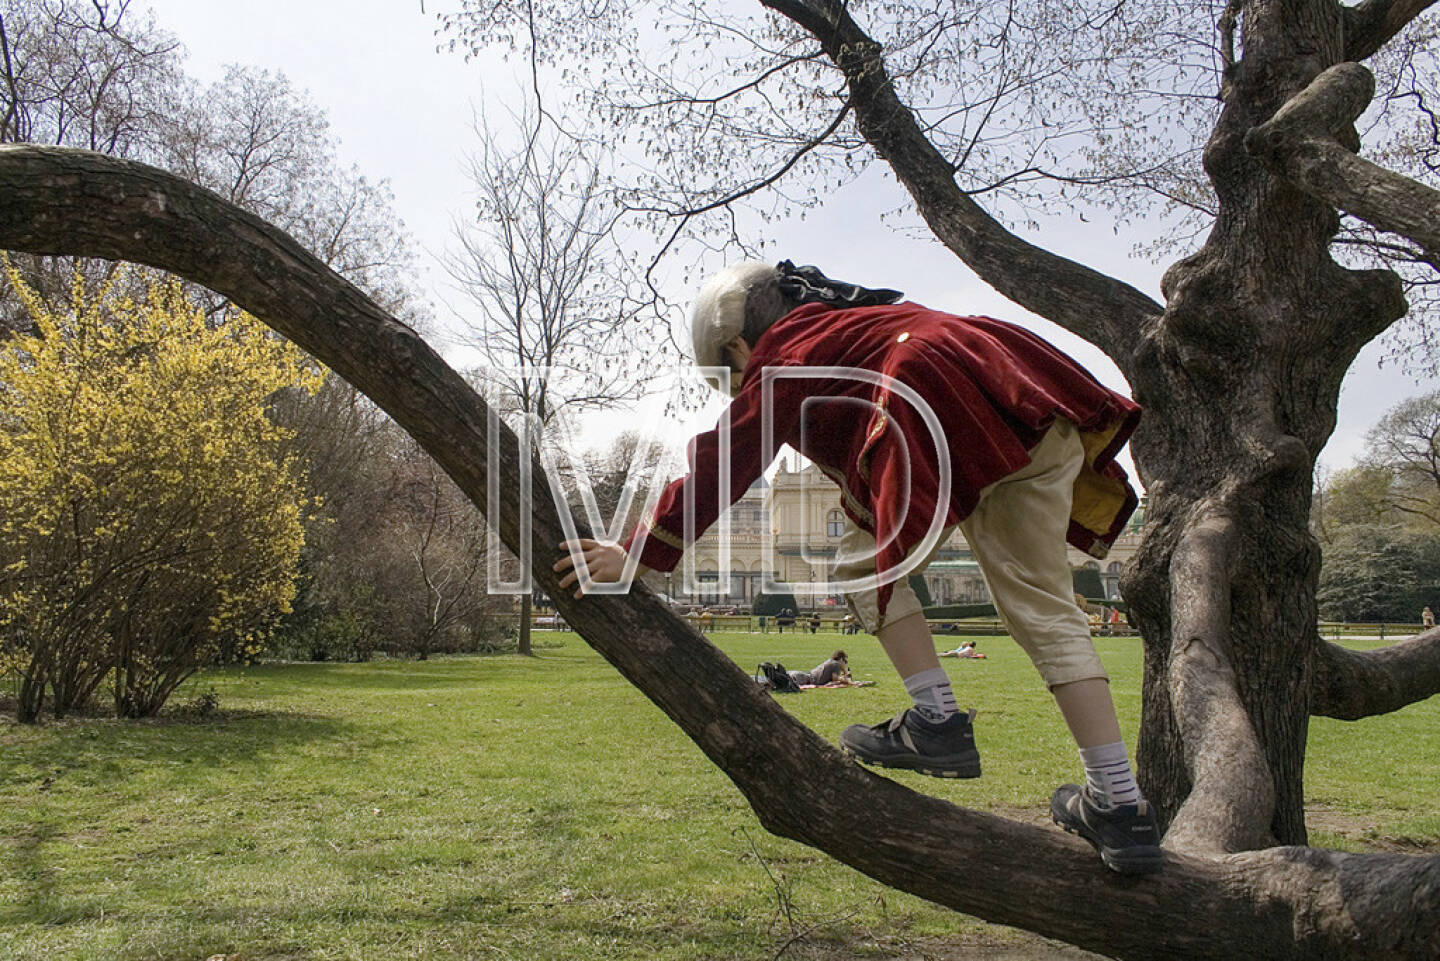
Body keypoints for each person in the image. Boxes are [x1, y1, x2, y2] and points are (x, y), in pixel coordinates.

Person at [555, 260, 1160, 874]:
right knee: (1045, 608)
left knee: (860, 562)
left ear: (739, 345)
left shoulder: (786, 354)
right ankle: (1119, 803)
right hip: (1021, 400)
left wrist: (636, 550)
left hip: (931, 398)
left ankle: (937, 721)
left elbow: (726, 457)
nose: (742, 385)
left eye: (733, 376)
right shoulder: (854, 323)